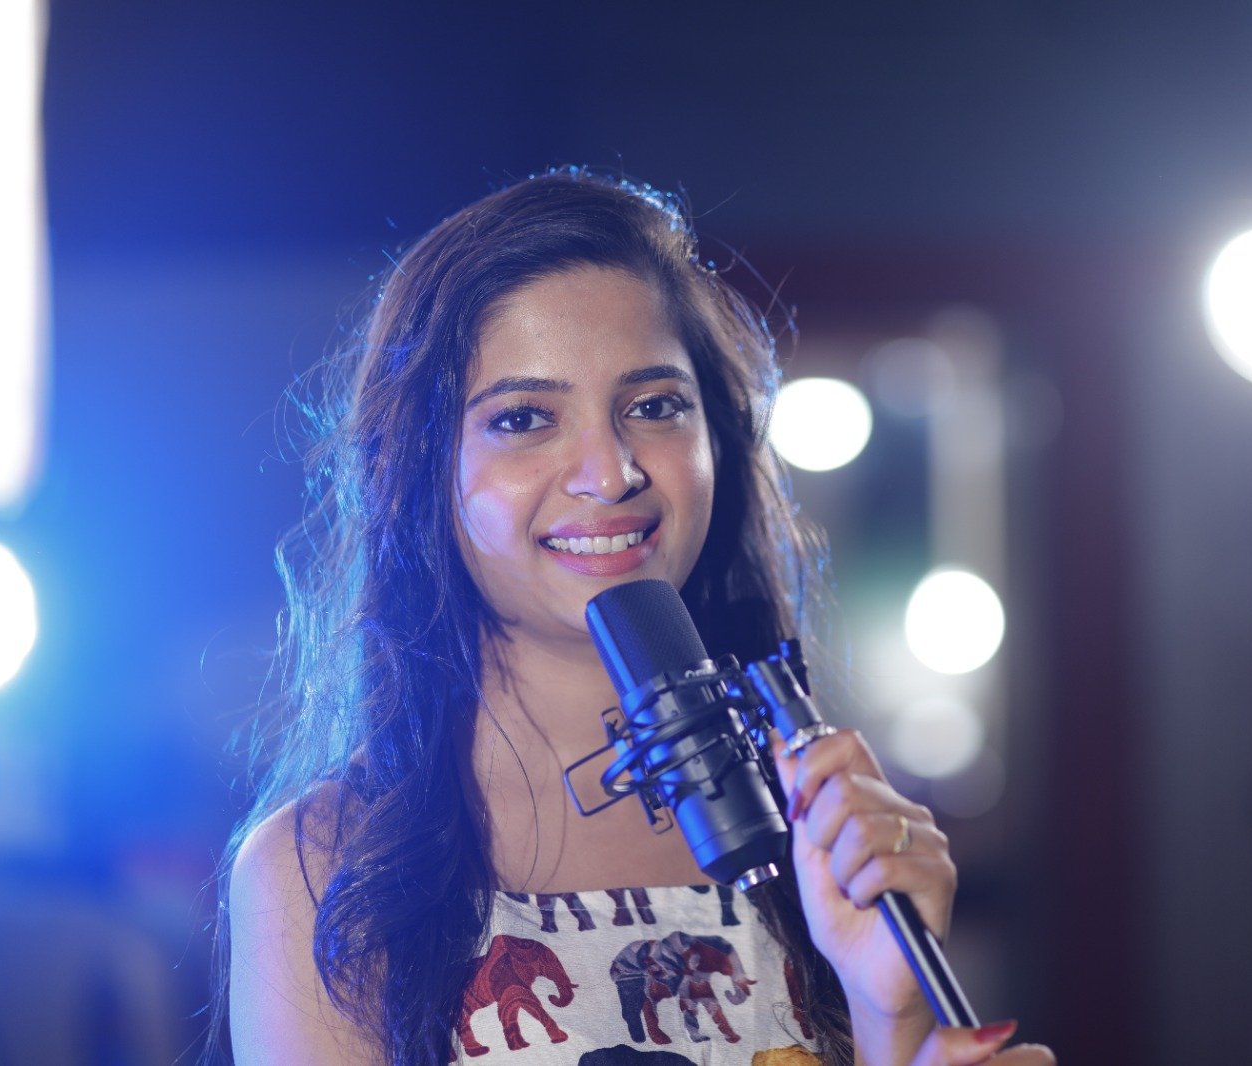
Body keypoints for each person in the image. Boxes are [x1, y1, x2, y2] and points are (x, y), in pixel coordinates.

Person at [213, 168, 1055, 1066]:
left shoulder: (826, 833)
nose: (611, 473)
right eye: (524, 418)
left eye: (654, 408)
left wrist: (894, 1015)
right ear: (421, 470)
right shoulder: (325, 868)